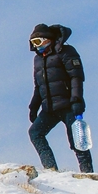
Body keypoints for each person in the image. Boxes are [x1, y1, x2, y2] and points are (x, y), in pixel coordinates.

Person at [27, 23, 93, 173]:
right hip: (49, 108)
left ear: (47, 39)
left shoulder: (66, 52)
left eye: (38, 42)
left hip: (68, 105)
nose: (36, 46)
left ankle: (87, 173)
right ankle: (50, 169)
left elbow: (76, 77)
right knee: (35, 133)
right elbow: (38, 86)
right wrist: (33, 106)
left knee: (77, 140)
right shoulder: (38, 60)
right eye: (33, 43)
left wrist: (76, 100)